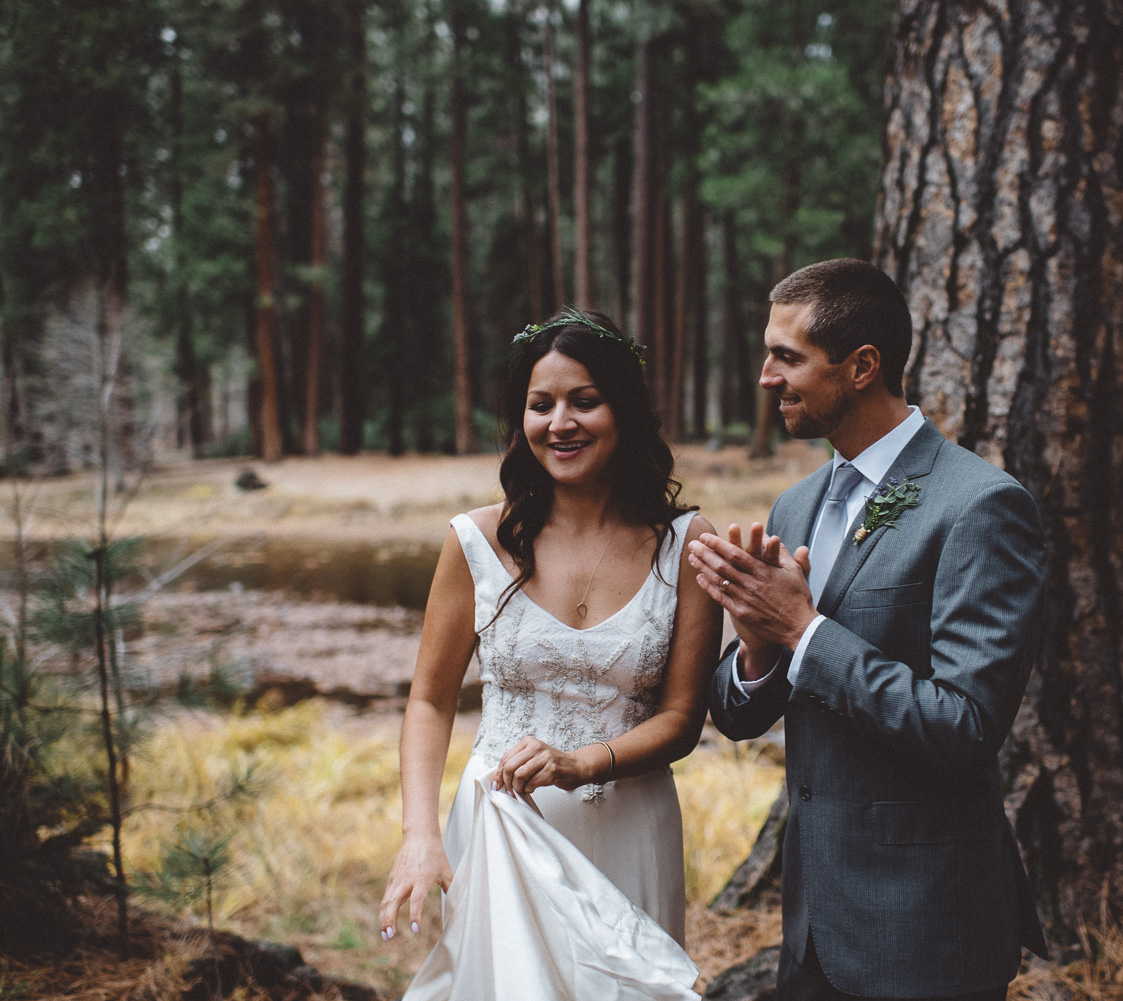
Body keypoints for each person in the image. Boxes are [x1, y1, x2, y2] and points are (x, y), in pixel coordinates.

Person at [687, 259, 1049, 1001]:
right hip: (814, 927)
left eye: (786, 356)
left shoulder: (980, 506)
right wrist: (757, 643)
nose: (765, 376)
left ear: (861, 367)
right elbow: (737, 713)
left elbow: (966, 726)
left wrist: (803, 628)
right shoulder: (794, 506)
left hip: (927, 928)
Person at [379, 308, 720, 996]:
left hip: (632, 826)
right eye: (541, 404)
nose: (560, 422)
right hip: (501, 828)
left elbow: (684, 717)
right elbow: (428, 698)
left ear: (622, 409)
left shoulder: (686, 544)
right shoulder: (475, 541)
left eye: (584, 401)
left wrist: (582, 762)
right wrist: (419, 835)